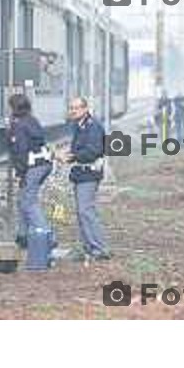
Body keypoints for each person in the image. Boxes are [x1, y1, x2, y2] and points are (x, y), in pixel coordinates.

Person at [58, 97, 110, 261]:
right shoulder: (78, 126)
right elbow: (79, 149)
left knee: (85, 211)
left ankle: (99, 249)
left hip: (89, 173)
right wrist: (70, 155)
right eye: (71, 108)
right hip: (81, 173)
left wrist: (71, 157)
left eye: (77, 108)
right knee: (82, 212)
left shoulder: (93, 127)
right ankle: (89, 247)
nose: (73, 111)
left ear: (86, 109)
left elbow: (93, 151)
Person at [7, 94, 54, 267]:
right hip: (43, 164)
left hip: (33, 166)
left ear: (14, 108)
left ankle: (46, 236)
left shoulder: (19, 125)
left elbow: (20, 151)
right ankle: (23, 237)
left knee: (28, 202)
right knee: (23, 199)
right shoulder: (31, 119)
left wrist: (20, 173)